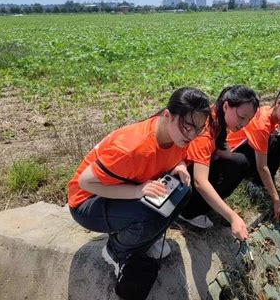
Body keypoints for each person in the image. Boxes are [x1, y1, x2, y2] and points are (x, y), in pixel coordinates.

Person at [67, 87, 210, 281]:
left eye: (199, 129)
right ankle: (115, 252)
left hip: (123, 189)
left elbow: (176, 155)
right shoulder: (132, 147)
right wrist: (137, 191)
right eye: (187, 127)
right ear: (168, 116)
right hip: (87, 202)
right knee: (150, 213)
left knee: (182, 190)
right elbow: (85, 182)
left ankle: (146, 239)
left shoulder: (179, 136)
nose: (192, 135)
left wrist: (180, 166)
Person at [179, 85, 259, 241]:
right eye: (242, 117)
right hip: (180, 179)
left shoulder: (217, 117)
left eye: (248, 120)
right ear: (226, 106)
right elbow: (199, 181)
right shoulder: (205, 130)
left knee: (239, 161)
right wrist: (232, 216)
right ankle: (188, 213)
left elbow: (223, 150)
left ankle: (205, 206)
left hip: (188, 170)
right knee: (233, 166)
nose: (244, 124)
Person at [227, 86, 280, 221]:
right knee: (268, 151)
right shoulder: (262, 123)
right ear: (279, 103)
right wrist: (276, 200)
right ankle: (253, 183)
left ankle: (261, 182)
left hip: (246, 150)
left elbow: (272, 137)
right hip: (232, 153)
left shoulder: (270, 114)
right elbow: (262, 167)